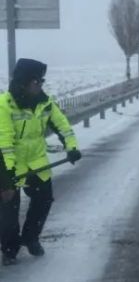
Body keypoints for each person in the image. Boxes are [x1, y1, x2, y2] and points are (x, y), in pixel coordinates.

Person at [0, 58, 82, 265]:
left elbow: (63, 126)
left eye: (41, 81)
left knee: (44, 200)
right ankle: (10, 249)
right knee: (8, 213)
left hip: (36, 162)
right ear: (22, 83)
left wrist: (71, 147)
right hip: (7, 165)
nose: (40, 85)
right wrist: (8, 175)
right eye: (37, 82)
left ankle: (30, 237)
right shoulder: (4, 106)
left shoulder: (45, 103)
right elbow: (5, 142)